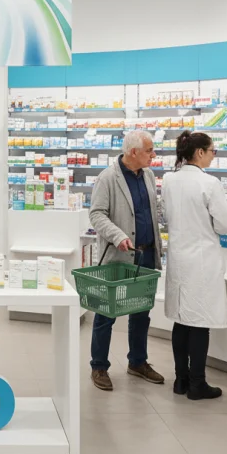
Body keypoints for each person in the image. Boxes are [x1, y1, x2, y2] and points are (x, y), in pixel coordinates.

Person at [88, 130, 165, 391]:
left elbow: (152, 210)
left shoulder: (149, 175)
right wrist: (118, 235)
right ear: (133, 152)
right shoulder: (108, 178)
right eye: (149, 150)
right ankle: (99, 366)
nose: (153, 154)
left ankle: (138, 362)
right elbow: (97, 214)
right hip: (118, 257)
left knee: (141, 312)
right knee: (106, 313)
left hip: (146, 255)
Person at [161, 131, 227, 400]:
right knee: (200, 322)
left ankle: (180, 380)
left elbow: (167, 215)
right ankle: (197, 384)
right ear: (200, 152)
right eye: (212, 151)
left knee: (181, 320)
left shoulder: (169, 180)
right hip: (202, 261)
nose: (213, 156)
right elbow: (224, 225)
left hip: (178, 258)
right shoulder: (209, 183)